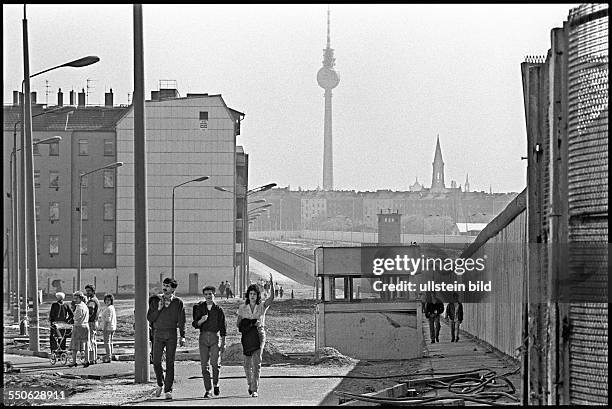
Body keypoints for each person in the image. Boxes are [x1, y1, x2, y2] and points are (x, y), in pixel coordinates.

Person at [147, 277, 186, 400]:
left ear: (173, 289)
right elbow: (150, 318)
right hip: (158, 334)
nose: (165, 288)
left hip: (171, 334)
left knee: (170, 363)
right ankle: (160, 383)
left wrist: (183, 336)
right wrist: (159, 309)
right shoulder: (155, 300)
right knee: (156, 361)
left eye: (168, 286)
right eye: (164, 285)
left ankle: (168, 390)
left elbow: (181, 320)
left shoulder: (178, 302)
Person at [236, 273, 275, 398]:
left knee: (257, 362)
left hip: (259, 334)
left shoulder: (262, 306)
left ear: (258, 295)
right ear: (248, 295)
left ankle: (254, 389)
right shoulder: (242, 307)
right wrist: (246, 324)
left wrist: (272, 284)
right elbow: (238, 324)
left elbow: (271, 299)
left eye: (255, 294)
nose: (252, 296)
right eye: (251, 294)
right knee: (247, 363)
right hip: (247, 336)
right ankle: (250, 383)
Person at [192, 285, 227, 398]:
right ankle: (208, 390)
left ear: (214, 295)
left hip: (214, 337)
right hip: (203, 337)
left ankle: (216, 384)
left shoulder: (218, 309)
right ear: (204, 295)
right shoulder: (199, 308)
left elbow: (223, 327)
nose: (208, 296)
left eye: (210, 294)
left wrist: (223, 342)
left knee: (215, 364)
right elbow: (195, 324)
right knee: (204, 366)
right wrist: (201, 321)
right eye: (206, 294)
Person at [69, 291, 90, 367]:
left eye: (76, 298)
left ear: (80, 298)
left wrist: (73, 312)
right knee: (86, 344)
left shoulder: (79, 307)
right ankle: (87, 360)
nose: (75, 300)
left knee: (75, 345)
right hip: (86, 325)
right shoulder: (85, 306)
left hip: (78, 326)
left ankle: (74, 361)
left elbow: (76, 317)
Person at [84, 284, 100, 364]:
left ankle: (91, 359)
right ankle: (94, 358)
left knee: (90, 340)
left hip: (91, 322)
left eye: (89, 291)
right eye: (86, 291)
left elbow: (90, 312)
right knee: (93, 340)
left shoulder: (92, 301)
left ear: (93, 291)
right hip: (95, 321)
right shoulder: (96, 300)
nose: (87, 292)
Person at [99, 294, 117, 363]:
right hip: (112, 327)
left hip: (108, 327)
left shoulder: (109, 308)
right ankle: (110, 356)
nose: (107, 301)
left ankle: (108, 357)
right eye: (106, 300)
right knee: (110, 342)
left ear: (111, 301)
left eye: (109, 300)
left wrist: (105, 328)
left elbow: (108, 319)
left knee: (107, 343)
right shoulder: (112, 307)